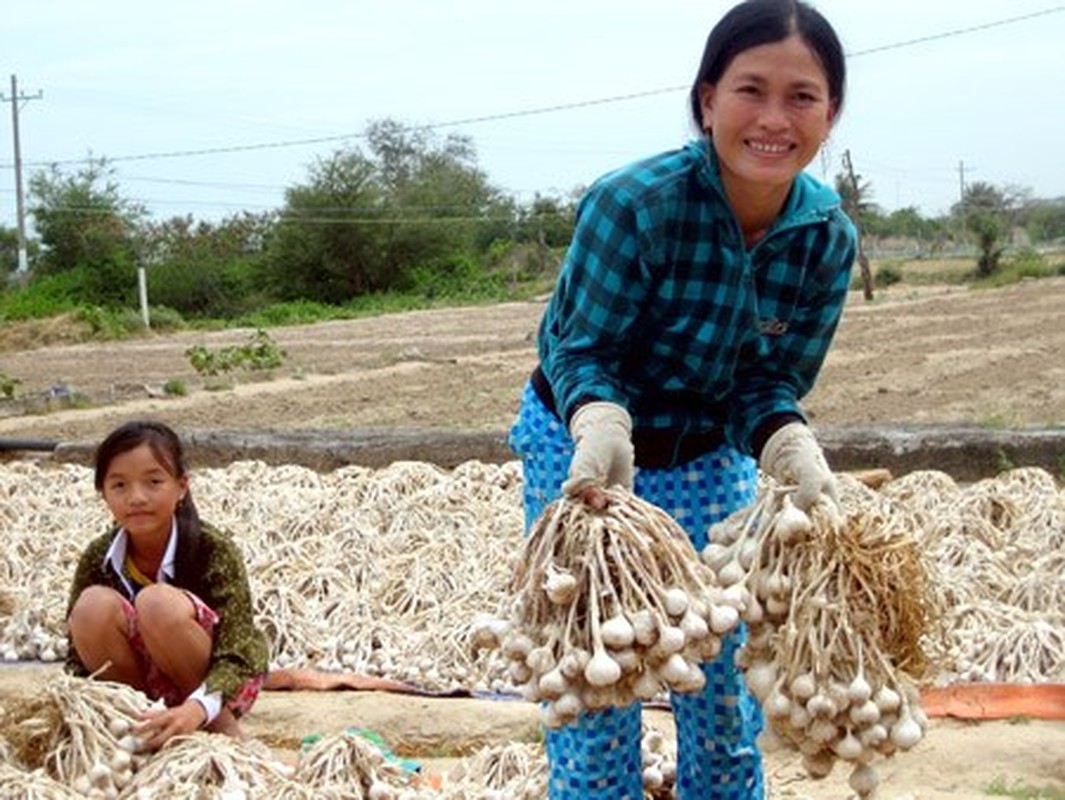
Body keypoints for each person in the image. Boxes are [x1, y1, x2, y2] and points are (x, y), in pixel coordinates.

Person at [508, 0, 855, 796]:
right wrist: (597, 420)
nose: (773, 118)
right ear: (706, 101)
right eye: (749, 90)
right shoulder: (635, 203)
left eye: (801, 96)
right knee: (595, 679)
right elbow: (580, 348)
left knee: (723, 680)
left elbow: (767, 380)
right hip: (582, 441)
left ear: (829, 113)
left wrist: (785, 441)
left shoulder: (825, 237)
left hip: (705, 452)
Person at [65, 420, 270, 751]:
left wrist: (197, 708)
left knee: (156, 603)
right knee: (89, 608)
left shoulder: (213, 549)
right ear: (103, 493)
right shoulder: (98, 557)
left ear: (182, 487)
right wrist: (80, 710)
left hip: (220, 686)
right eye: (119, 485)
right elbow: (76, 654)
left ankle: (225, 733)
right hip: (145, 683)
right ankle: (143, 721)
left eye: (154, 482)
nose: (136, 498)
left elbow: (237, 649)